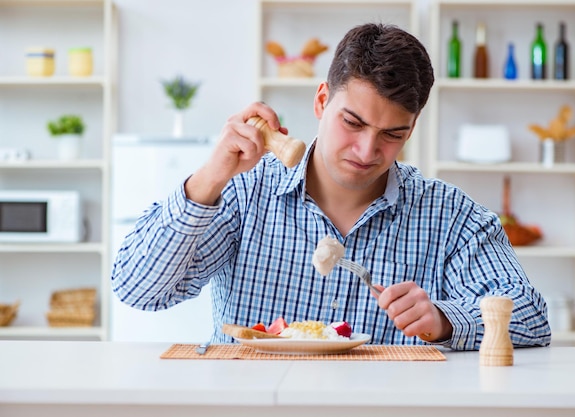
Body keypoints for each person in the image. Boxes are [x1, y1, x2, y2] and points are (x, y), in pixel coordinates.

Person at [112, 23, 551, 350]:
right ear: (322, 100)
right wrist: (210, 175)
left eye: (392, 134)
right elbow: (137, 289)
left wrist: (446, 319)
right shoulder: (244, 192)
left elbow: (532, 320)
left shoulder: (450, 215)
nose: (366, 150)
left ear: (412, 129)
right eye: (353, 123)